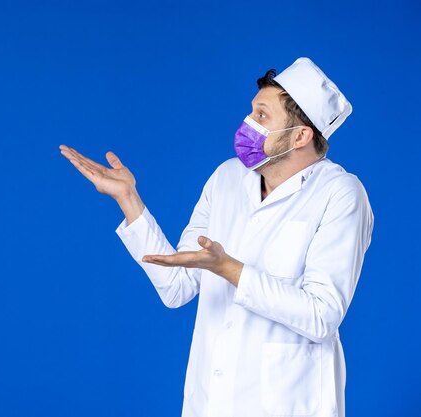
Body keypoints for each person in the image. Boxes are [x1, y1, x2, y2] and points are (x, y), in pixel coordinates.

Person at [59, 57, 373, 417]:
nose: (248, 124)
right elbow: (176, 287)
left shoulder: (341, 193)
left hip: (289, 402)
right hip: (210, 401)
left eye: (262, 115)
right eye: (251, 112)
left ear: (301, 135)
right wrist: (129, 200)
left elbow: (322, 314)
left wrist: (230, 269)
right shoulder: (227, 177)